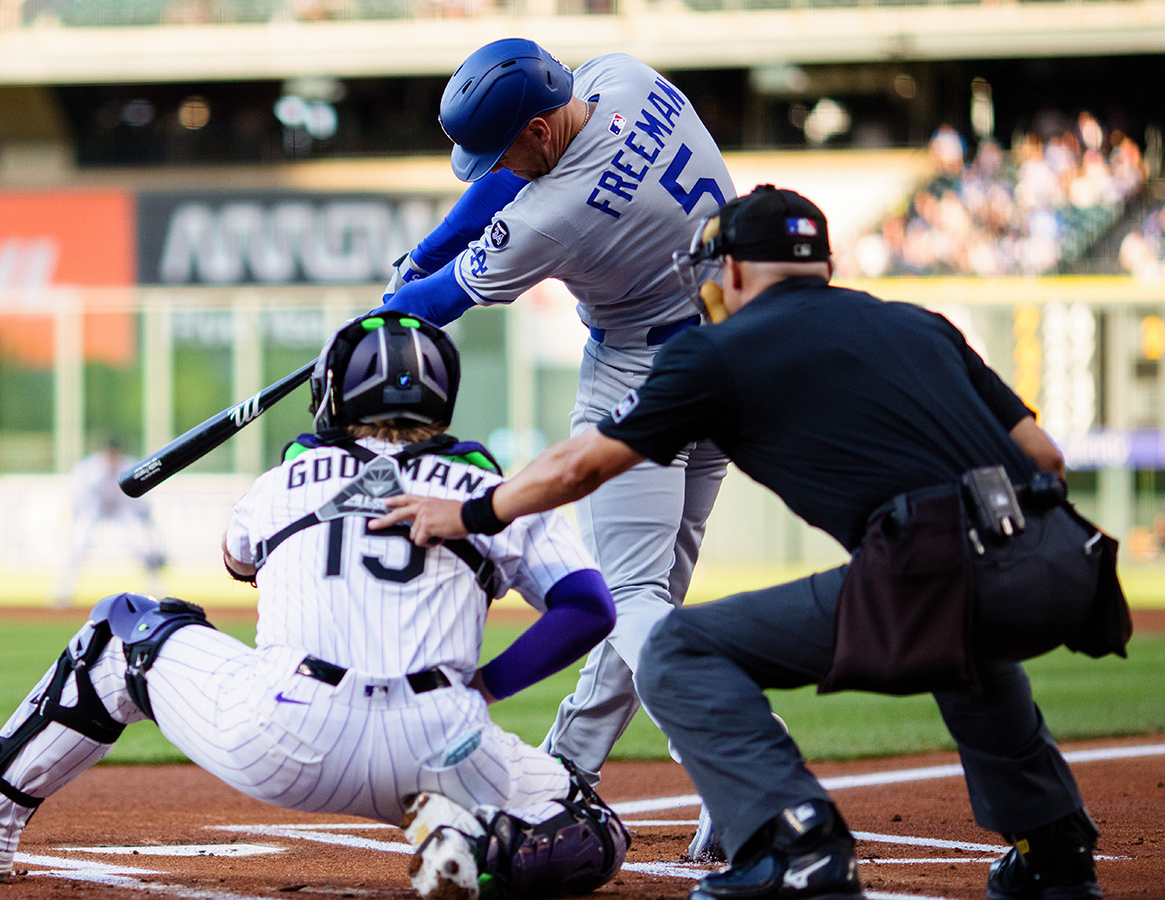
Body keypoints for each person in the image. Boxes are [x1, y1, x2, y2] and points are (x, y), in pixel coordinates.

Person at [374, 186, 1131, 900]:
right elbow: (1043, 453)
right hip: (1069, 558)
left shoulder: (719, 351)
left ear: (732, 269)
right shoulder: (918, 321)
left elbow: (582, 466)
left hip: (938, 559)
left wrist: (469, 512)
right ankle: (1053, 848)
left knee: (677, 648)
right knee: (965, 647)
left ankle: (794, 841)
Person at [0, 314, 631, 900]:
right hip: (444, 745)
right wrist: (487, 687)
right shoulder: (492, 490)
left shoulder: (285, 481)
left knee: (121, 629)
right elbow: (590, 610)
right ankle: (472, 849)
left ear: (334, 395)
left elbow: (238, 562)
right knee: (596, 833)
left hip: (283, 738)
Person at [376, 37, 737, 854]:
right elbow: (502, 184)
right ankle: (570, 765)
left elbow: (434, 307)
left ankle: (737, 764)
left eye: (500, 146)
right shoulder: (620, 75)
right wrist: (427, 247)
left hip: (644, 372)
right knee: (647, 593)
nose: (487, 166)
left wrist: (382, 309)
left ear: (538, 129)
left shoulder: (555, 214)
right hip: (728, 351)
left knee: (634, 593)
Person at [49, 437, 167, 609]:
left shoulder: (129, 465)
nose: (113, 457)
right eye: (110, 453)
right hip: (94, 507)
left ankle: (156, 591)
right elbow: (80, 496)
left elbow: (140, 498)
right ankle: (63, 592)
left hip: (123, 507)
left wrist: (146, 521)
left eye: (116, 453)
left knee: (139, 545)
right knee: (79, 544)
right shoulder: (90, 467)